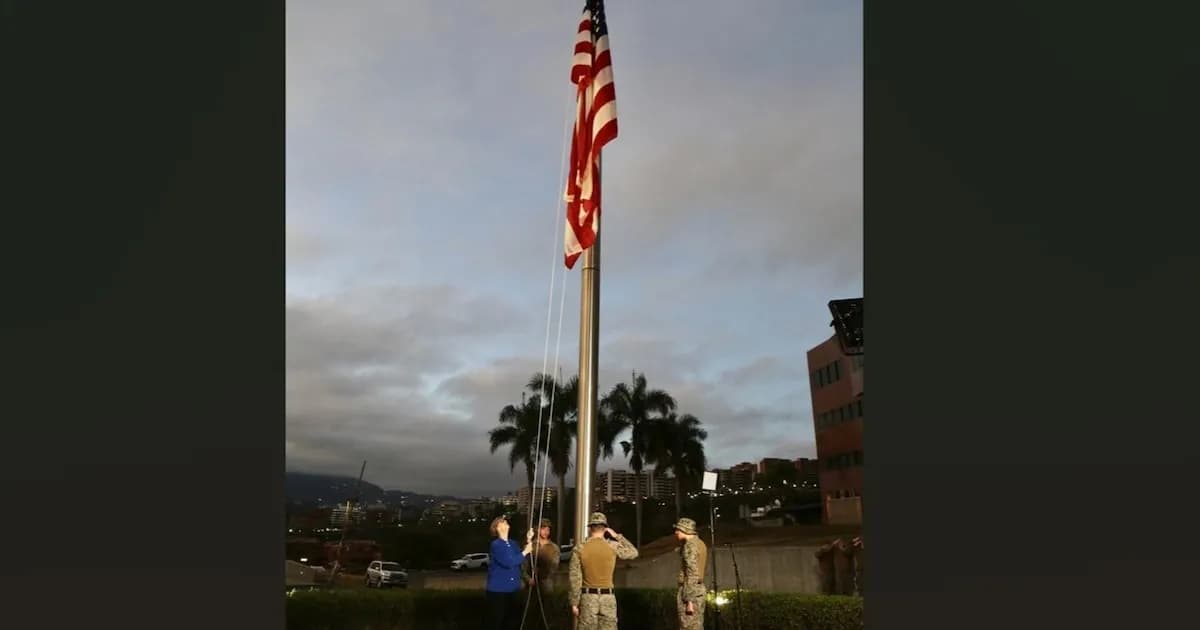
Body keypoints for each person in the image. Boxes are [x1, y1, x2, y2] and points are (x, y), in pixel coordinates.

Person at [569, 512, 638, 630]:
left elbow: (575, 577)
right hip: (608, 598)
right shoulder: (612, 545)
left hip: (588, 597)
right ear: (605, 528)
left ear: (590, 528)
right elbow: (633, 552)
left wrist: (574, 602)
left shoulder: (580, 548)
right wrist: (617, 536)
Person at [485, 515, 533, 630]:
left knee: (513, 621)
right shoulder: (496, 545)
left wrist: (528, 539)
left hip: (513, 589)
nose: (505, 522)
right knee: (499, 622)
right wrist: (525, 552)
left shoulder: (513, 543)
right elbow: (509, 562)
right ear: (497, 528)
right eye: (502, 522)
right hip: (499, 592)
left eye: (506, 521)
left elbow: (520, 559)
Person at [522, 518, 560, 626]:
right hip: (531, 587)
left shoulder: (554, 548)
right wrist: (528, 579)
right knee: (530, 616)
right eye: (543, 528)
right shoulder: (530, 546)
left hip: (546, 587)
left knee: (546, 616)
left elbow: (554, 566)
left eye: (548, 529)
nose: (546, 531)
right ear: (538, 530)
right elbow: (523, 565)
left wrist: (542, 574)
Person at [672, 517, 707, 630]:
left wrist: (689, 600)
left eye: (678, 530)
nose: (676, 532)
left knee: (688, 626)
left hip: (690, 590)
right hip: (697, 589)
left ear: (685, 530)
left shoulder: (690, 547)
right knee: (696, 625)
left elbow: (692, 573)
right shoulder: (699, 543)